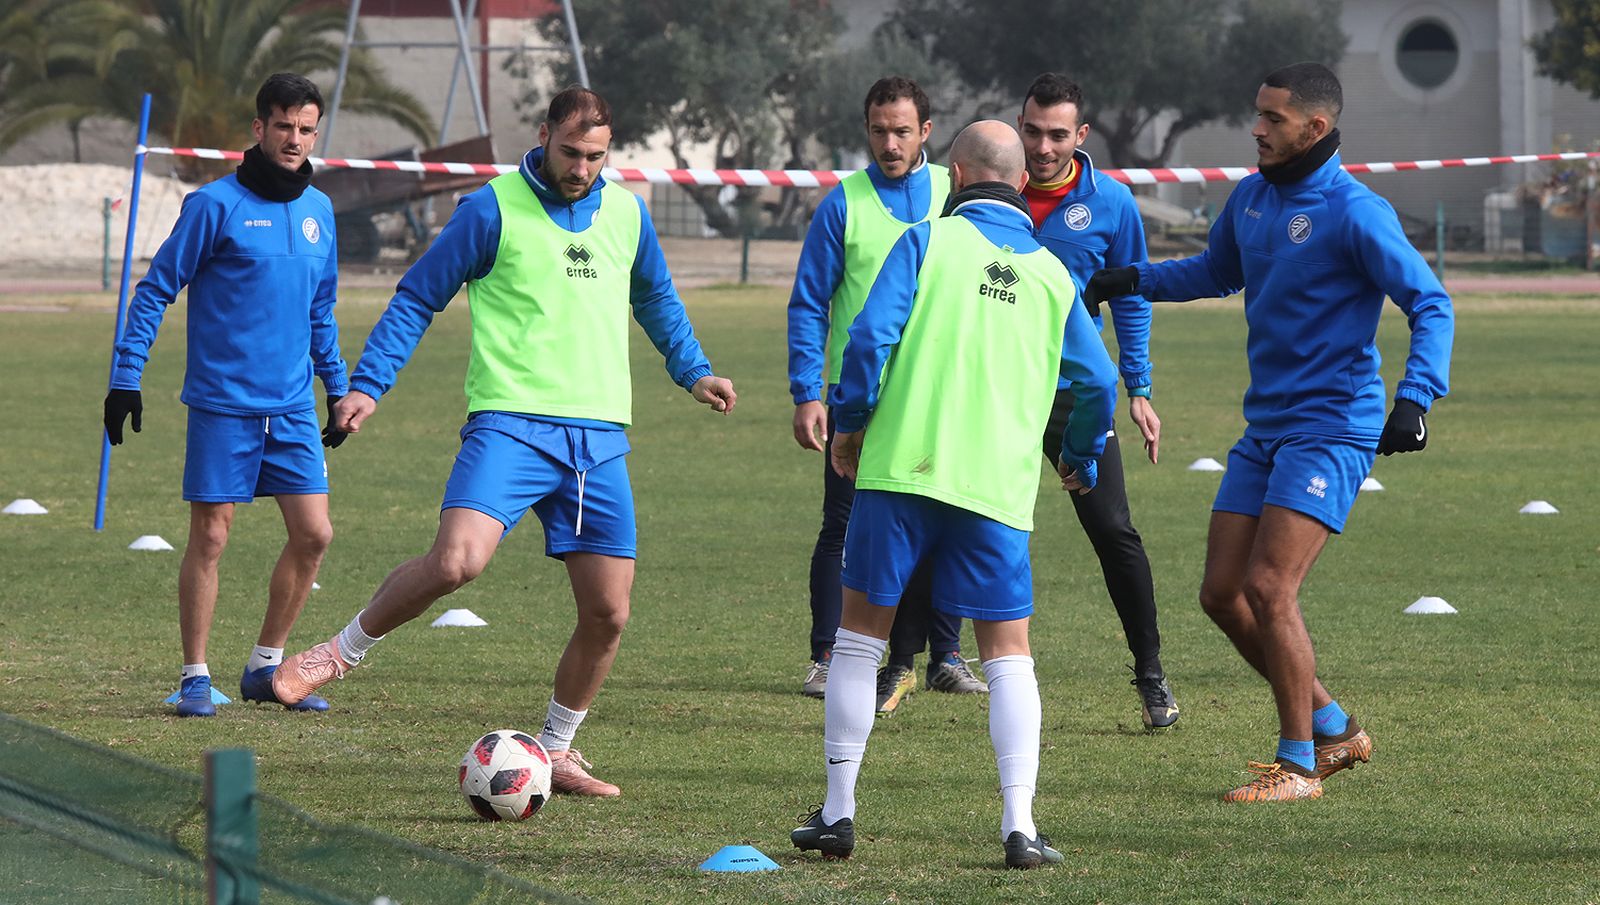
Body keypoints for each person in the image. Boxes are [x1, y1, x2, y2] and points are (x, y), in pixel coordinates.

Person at [270, 86, 737, 798]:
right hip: (510, 423)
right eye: (571, 152)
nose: (582, 168)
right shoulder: (490, 208)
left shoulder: (626, 214)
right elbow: (418, 296)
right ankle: (336, 653)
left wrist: (694, 371)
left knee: (609, 613)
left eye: (596, 156)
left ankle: (558, 749)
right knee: (456, 561)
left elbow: (656, 299)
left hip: (598, 436)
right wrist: (369, 384)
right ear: (543, 135)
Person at [1083, 62, 1453, 802]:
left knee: (1269, 586)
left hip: (1333, 426)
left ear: (1315, 127)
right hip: (1267, 428)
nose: (1256, 129)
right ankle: (1335, 725)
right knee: (1223, 594)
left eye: (1272, 119)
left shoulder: (1356, 211)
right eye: (1257, 114)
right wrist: (1135, 279)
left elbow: (1430, 302)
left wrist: (1415, 397)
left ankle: (1300, 764)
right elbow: (1217, 271)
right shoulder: (1252, 197)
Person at [790, 120, 1117, 867]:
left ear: (957, 177)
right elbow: (1098, 381)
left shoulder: (924, 241)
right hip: (996, 488)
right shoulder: (1052, 275)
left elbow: (867, 340)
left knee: (858, 639)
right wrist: (1079, 457)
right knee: (1008, 656)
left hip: (900, 474)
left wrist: (850, 426)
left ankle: (838, 813)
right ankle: (1019, 825)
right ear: (1022, 182)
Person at [104, 73, 348, 718]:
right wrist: (126, 377)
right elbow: (155, 290)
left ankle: (266, 668)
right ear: (259, 128)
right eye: (283, 126)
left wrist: (337, 387)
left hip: (292, 408)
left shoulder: (320, 211)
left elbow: (321, 310)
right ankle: (194, 676)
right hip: (223, 406)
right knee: (212, 537)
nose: (294, 139)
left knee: (314, 534)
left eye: (306, 129)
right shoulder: (213, 206)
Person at [787, 76, 986, 714]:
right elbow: (810, 303)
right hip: (859, 399)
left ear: (926, 131)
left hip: (938, 394)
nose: (890, 144)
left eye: (902, 131)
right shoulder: (843, 203)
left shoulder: (955, 192)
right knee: (842, 526)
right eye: (879, 131)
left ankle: (945, 656)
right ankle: (827, 655)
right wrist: (807, 392)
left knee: (944, 520)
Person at [1017, 72, 1178, 728]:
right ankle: (919, 660)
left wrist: (1138, 387)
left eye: (1058, 135)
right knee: (950, 516)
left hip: (1073, 395)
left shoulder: (1110, 204)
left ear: (1081, 135)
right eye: (1033, 132)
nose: (1043, 147)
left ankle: (1151, 674)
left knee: (1113, 528)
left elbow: (1131, 295)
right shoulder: (989, 191)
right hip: (995, 391)